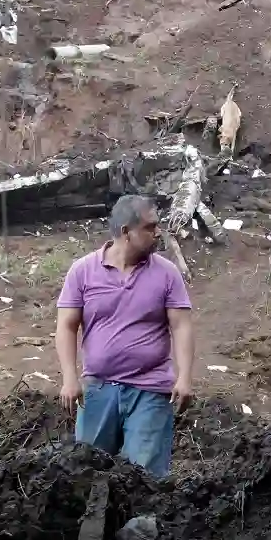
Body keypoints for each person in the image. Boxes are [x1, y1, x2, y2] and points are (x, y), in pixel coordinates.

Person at [55, 194, 195, 479]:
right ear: (125, 233)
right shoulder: (83, 272)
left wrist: (184, 377)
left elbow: (181, 326)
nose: (157, 233)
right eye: (149, 227)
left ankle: (139, 524)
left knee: (144, 479)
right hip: (98, 389)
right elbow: (67, 326)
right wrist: (69, 377)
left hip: (151, 389)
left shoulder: (167, 274)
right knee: (86, 473)